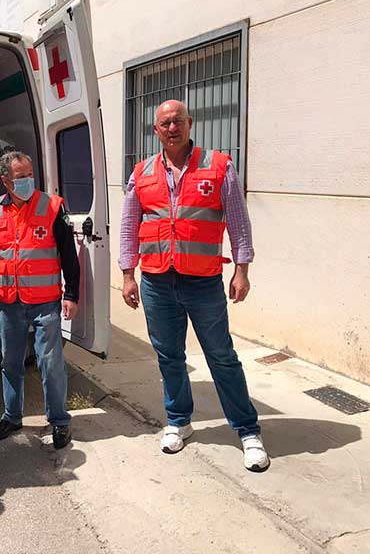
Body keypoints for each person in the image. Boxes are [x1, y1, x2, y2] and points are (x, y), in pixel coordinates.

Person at [119, 100, 269, 472]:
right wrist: (127, 274)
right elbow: (128, 226)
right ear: (156, 131)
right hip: (156, 281)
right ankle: (178, 422)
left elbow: (238, 219)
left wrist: (242, 269)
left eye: (178, 121)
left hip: (202, 282)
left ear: (190, 123)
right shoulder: (142, 173)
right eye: (164, 123)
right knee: (169, 357)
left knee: (221, 355)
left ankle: (247, 430)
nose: (172, 128)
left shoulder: (218, 167)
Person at [0, 150, 80, 450]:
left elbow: (68, 256)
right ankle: (12, 416)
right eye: (21, 177)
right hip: (9, 304)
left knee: (50, 363)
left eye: (30, 175)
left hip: (45, 301)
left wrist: (71, 293)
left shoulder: (51, 206)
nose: (27, 181)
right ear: (5, 180)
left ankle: (59, 421)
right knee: (10, 362)